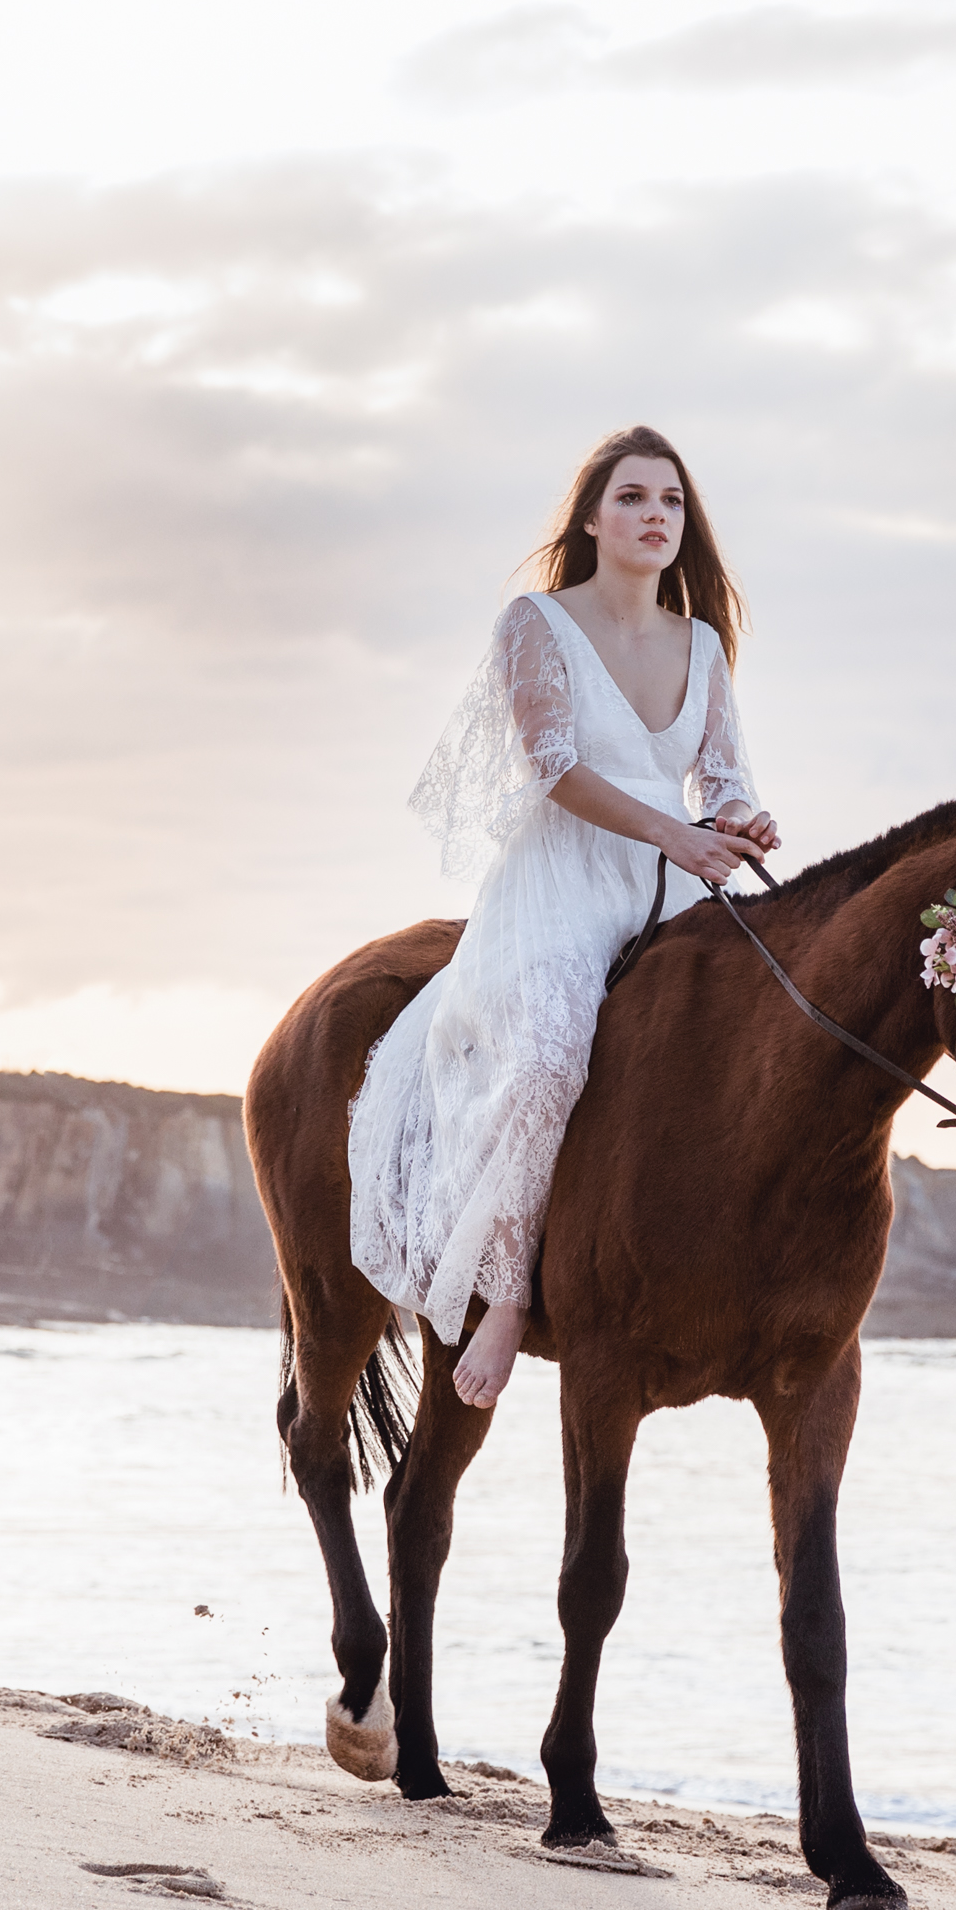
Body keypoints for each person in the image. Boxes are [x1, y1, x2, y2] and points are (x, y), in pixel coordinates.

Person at [351, 425, 783, 1408]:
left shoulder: (702, 644)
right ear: (591, 517)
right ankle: (506, 1296)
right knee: (549, 1056)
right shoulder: (535, 624)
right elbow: (551, 770)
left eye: (671, 502)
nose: (655, 517)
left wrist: (741, 821)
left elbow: (721, 781)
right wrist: (677, 835)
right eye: (633, 498)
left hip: (671, 881)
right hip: (559, 880)